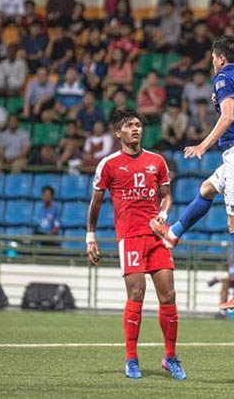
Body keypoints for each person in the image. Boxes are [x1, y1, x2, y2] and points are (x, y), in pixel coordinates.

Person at [150, 36, 234, 310]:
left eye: (214, 57)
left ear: (221, 58)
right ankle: (173, 235)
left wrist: (203, 145)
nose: (213, 62)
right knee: (207, 189)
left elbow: (227, 117)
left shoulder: (224, 77)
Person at [86, 108, 185, 380]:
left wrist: (163, 215)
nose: (136, 129)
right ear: (119, 133)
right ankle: (131, 358)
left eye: (138, 125)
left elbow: (167, 197)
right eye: (129, 125)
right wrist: (91, 236)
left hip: (156, 238)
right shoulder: (109, 164)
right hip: (129, 238)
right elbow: (95, 202)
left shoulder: (157, 161)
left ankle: (170, 357)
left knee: (169, 296)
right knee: (137, 295)